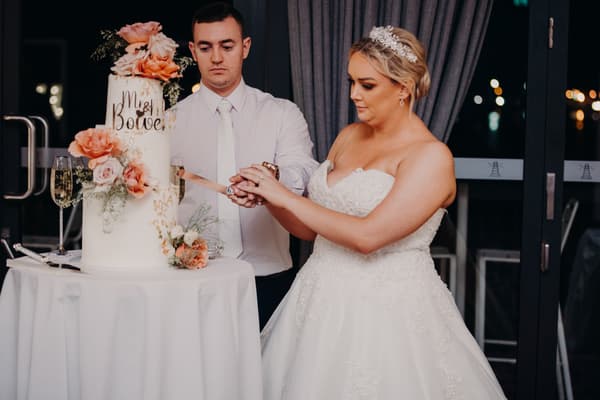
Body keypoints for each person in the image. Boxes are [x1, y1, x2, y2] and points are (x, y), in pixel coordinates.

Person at [237, 26, 507, 399]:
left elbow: (368, 237)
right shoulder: (349, 136)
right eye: (351, 82)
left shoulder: (430, 157)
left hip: (387, 316)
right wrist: (269, 199)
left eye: (367, 85)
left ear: (403, 87)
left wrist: (283, 193)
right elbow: (311, 230)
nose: (353, 94)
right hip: (316, 303)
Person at [171, 1, 318, 329]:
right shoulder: (170, 121)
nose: (217, 58)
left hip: (266, 279)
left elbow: (305, 173)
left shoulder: (282, 113)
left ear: (245, 47)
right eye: (206, 47)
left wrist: (272, 178)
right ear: (193, 51)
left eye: (227, 46)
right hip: (192, 280)